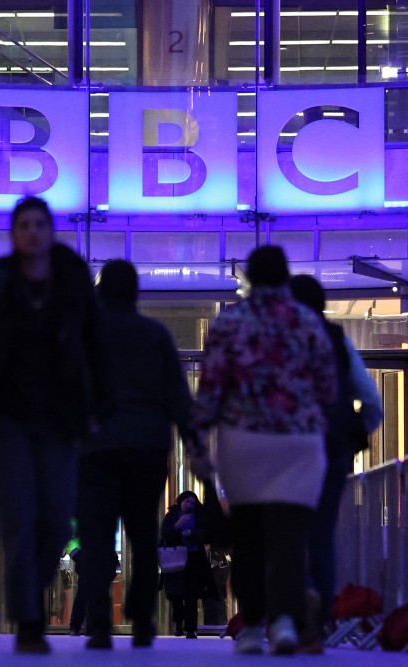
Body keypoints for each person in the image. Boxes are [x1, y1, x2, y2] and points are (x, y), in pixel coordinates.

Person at [0, 195, 104, 654]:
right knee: (17, 516)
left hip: (59, 419)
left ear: (51, 231)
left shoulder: (73, 282)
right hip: (4, 419)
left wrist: (97, 405)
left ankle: (30, 597)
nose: (32, 232)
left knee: (55, 518)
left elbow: (95, 346)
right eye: (24, 225)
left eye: (40, 224)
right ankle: (29, 617)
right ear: (14, 234)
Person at [189, 245, 336, 656]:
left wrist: (199, 438)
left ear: (249, 278)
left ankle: (252, 625)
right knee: (290, 537)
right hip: (298, 442)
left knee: (248, 537)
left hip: (243, 440)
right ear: (286, 276)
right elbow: (327, 385)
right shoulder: (307, 322)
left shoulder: (228, 322)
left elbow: (212, 386)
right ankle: (286, 622)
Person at [76, 258, 195, 649]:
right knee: (143, 533)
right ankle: (142, 617)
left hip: (97, 447)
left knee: (96, 535)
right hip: (147, 444)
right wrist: (193, 440)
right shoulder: (154, 335)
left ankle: (98, 620)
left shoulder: (87, 335)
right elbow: (177, 394)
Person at [289, 273, 384, 650]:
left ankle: (291, 614)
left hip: (288, 451)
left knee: (287, 536)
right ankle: (321, 622)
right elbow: (372, 402)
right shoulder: (337, 340)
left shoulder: (280, 341)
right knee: (322, 536)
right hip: (330, 450)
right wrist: (355, 434)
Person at [160, 490, 220, 640]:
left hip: (194, 560)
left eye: (193, 503)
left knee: (191, 595)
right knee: (176, 596)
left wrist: (192, 533)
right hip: (175, 559)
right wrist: (177, 526)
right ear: (180, 501)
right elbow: (165, 535)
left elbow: (207, 534)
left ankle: (191, 629)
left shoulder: (199, 516)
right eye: (187, 501)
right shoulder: (171, 516)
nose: (190, 505)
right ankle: (178, 623)